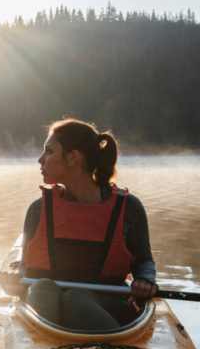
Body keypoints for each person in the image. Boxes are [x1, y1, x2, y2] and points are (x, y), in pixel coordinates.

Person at [9, 119, 158, 331]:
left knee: (76, 299)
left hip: (110, 309)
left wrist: (144, 279)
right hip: (48, 313)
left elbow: (143, 260)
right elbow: (24, 266)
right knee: (41, 286)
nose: (40, 160)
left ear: (73, 157)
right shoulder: (38, 209)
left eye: (49, 152)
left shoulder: (129, 208)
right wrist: (16, 279)